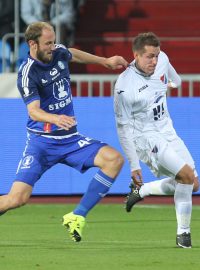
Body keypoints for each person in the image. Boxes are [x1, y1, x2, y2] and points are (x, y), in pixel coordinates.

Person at [0, 21, 128, 242]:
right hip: (41, 144)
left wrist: (104, 61)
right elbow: (33, 112)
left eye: (53, 41)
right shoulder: (27, 73)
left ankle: (77, 216)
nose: (53, 46)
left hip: (69, 141)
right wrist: (56, 118)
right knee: (16, 199)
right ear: (32, 44)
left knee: (114, 160)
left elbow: (72, 53)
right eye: (48, 43)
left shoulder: (57, 52)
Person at [113, 32, 199, 248]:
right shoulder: (124, 86)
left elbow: (176, 81)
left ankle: (141, 191)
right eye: (149, 56)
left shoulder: (162, 60)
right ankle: (183, 235)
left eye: (156, 55)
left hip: (167, 129)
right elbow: (122, 128)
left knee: (193, 183)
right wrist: (134, 165)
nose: (154, 61)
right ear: (136, 55)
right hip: (145, 138)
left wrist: (166, 87)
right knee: (186, 176)